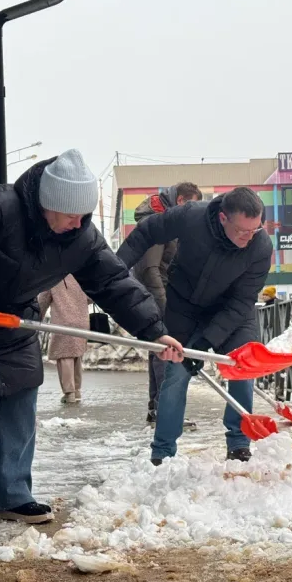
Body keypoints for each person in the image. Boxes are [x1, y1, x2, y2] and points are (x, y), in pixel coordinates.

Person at [0, 149, 184, 529]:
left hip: (15, 321)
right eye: (71, 214)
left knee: (21, 402)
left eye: (83, 215)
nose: (78, 223)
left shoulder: (82, 237)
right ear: (47, 204)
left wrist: (156, 332)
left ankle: (14, 493)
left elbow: (113, 284)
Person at [117, 186, 272, 464]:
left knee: (241, 367)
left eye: (255, 230)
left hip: (233, 313)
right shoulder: (191, 216)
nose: (248, 238)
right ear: (223, 218)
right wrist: (114, 272)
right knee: (175, 373)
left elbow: (242, 302)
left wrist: (207, 341)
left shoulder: (260, 246)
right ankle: (163, 451)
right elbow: (147, 232)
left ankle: (238, 442)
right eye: (242, 231)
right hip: (185, 306)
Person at [131, 182, 203, 427]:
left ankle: (158, 408)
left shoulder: (165, 221)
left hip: (156, 293)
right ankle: (166, 411)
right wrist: (163, 304)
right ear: (181, 201)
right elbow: (150, 269)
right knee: (167, 353)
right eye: (192, 205)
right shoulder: (159, 223)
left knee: (159, 352)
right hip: (155, 295)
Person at [38, 275, 90, 404]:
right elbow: (91, 297)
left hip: (62, 322)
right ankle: (77, 391)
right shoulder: (80, 275)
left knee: (64, 356)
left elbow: (42, 301)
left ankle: (69, 393)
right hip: (81, 321)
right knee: (77, 355)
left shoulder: (52, 278)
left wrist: (36, 317)